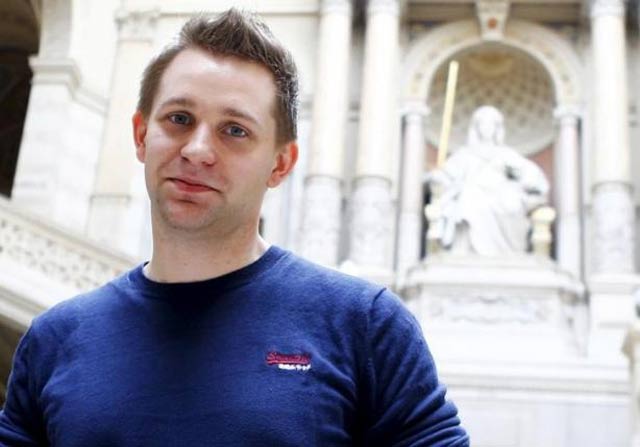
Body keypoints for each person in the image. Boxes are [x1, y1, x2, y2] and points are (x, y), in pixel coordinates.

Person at [0, 9, 469, 446]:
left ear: (281, 163)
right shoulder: (53, 340)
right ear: (142, 136)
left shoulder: (364, 326)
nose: (197, 149)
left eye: (235, 131)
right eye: (179, 119)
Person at [427, 105, 549, 256]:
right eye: (483, 123)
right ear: (476, 127)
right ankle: (465, 249)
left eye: (491, 124)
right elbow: (446, 175)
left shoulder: (506, 154)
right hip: (473, 192)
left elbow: (534, 178)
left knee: (511, 201)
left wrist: (516, 175)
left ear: (497, 128)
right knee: (468, 195)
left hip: (502, 194)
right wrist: (438, 176)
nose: (487, 128)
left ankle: (508, 250)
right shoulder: (466, 154)